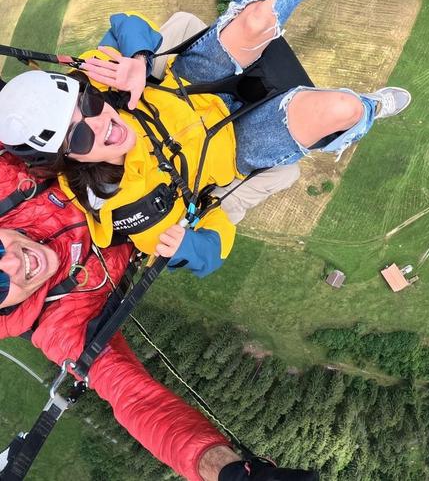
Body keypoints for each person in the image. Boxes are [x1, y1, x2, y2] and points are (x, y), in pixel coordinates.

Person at [0, 0, 429, 274]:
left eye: (91, 107)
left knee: (258, 17)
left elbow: (123, 25)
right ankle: (371, 110)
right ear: (66, 159)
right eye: (79, 135)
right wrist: (192, 248)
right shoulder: (127, 211)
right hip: (235, 150)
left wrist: (138, 56)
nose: (99, 122)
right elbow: (212, 245)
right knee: (340, 111)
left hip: (190, 84)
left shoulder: (97, 85)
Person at [0, 151, 317, 480]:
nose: (11, 264)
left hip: (149, 155)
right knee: (284, 170)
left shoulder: (8, 191)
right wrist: (224, 469)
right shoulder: (61, 326)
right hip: (182, 223)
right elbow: (134, 398)